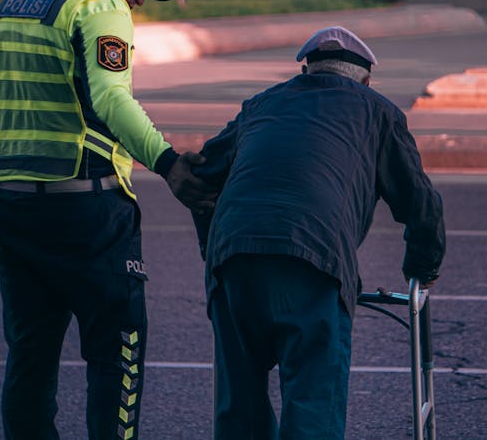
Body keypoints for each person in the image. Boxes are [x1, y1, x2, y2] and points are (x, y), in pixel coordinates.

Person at [0, 0, 215, 440]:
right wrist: (168, 164)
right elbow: (111, 99)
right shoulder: (99, 4)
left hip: (9, 211)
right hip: (86, 213)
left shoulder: (16, 1)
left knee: (29, 359)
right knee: (117, 354)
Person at [191, 26, 446, 439]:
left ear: (306, 71)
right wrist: (422, 267)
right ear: (366, 80)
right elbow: (421, 204)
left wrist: (212, 248)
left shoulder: (262, 104)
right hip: (313, 259)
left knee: (240, 407)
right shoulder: (377, 110)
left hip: (234, 256)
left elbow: (199, 176)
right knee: (312, 405)